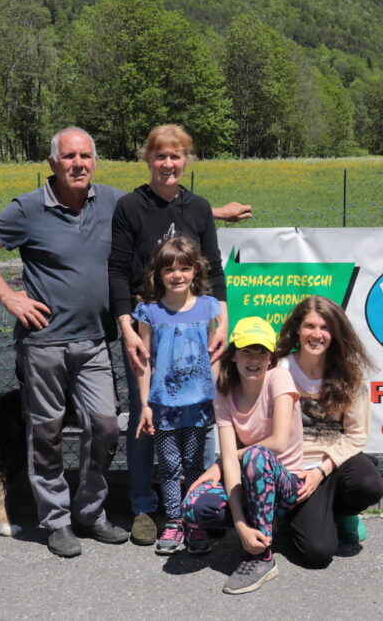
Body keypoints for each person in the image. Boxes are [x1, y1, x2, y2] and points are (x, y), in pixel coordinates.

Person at [0, 127, 129, 557]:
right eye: (69, 156)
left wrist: (212, 212)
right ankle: (56, 521)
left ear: (95, 160)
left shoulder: (111, 201)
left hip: (94, 341)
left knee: (106, 425)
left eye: (86, 156)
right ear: (53, 162)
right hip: (44, 343)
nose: (78, 164)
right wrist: (8, 296)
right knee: (47, 431)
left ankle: (90, 512)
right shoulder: (29, 208)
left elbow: (159, 214)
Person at [108, 124, 248, 546]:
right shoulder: (131, 207)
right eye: (160, 155)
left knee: (199, 418)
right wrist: (126, 327)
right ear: (147, 159)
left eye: (176, 156)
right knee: (145, 417)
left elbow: (216, 271)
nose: (168, 163)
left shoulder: (200, 208)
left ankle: (200, 505)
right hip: (148, 326)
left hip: (194, 327)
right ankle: (143, 507)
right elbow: (116, 270)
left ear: (186, 160)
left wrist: (222, 322)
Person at [178, 317, 303, 595]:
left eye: (262, 352)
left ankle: (262, 557)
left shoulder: (279, 377)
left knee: (257, 455)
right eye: (247, 350)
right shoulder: (224, 393)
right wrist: (240, 525)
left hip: (288, 483)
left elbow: (278, 442)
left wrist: (224, 461)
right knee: (194, 504)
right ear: (233, 355)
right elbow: (231, 461)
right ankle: (252, 532)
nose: (254, 359)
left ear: (271, 358)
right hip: (249, 479)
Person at [275, 295, 383, 568]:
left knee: (369, 484)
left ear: (335, 334)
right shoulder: (278, 369)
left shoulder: (349, 374)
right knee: (317, 554)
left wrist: (321, 470)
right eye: (310, 326)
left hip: (334, 464)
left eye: (325, 328)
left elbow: (357, 434)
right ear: (297, 330)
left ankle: (342, 512)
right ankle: (290, 515)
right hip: (294, 468)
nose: (317, 334)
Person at [132, 237, 220, 556]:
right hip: (163, 407)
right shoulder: (148, 312)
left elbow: (216, 356)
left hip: (198, 407)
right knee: (169, 465)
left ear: (195, 271)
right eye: (169, 269)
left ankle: (195, 521)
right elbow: (143, 362)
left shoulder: (210, 308)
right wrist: (144, 405)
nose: (177, 275)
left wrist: (218, 398)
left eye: (184, 268)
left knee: (196, 465)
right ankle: (173, 520)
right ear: (158, 273)